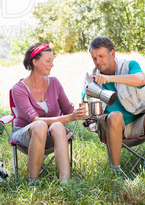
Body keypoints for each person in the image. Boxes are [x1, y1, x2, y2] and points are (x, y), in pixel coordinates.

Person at [83, 36, 145, 175]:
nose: (98, 62)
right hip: (112, 128)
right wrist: (87, 116)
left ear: (112, 54)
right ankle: (115, 171)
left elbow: (140, 80)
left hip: (138, 122)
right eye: (94, 58)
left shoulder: (129, 65)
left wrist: (110, 78)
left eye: (101, 56)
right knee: (115, 116)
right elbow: (87, 105)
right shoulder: (91, 77)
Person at [11, 43, 86, 185]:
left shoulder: (55, 82)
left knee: (58, 126)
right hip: (26, 135)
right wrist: (68, 118)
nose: (52, 65)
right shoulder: (19, 89)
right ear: (34, 62)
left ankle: (65, 181)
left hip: (50, 135)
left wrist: (82, 110)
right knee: (39, 125)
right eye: (48, 61)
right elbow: (35, 120)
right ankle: (33, 182)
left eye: (52, 60)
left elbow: (69, 109)